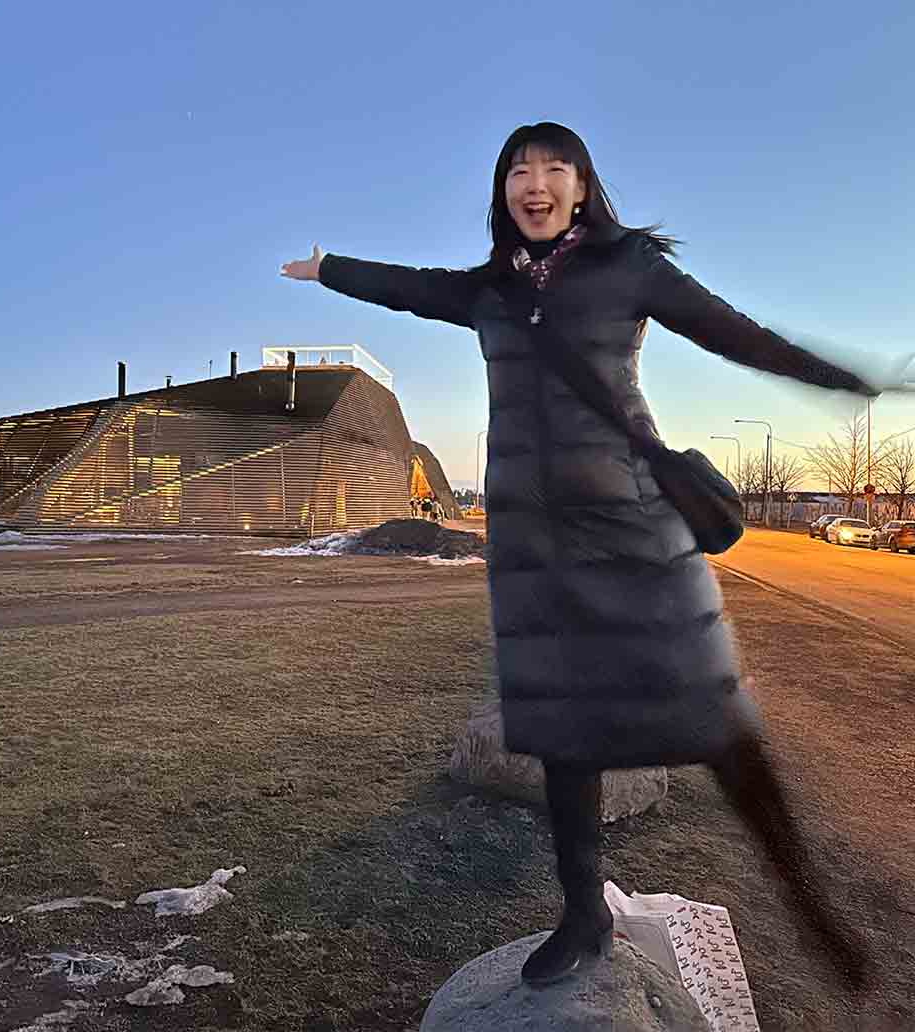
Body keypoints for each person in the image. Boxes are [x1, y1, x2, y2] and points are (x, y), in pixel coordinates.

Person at [281, 122, 890, 991]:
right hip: (536, 544)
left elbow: (735, 333)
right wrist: (329, 268)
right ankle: (582, 915)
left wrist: (846, 379)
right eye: (518, 171)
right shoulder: (487, 291)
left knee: (716, 716)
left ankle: (812, 907)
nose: (535, 183)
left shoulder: (628, 265)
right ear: (501, 193)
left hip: (635, 524)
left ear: (581, 184)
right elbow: (410, 289)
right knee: (566, 734)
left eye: (553, 167)